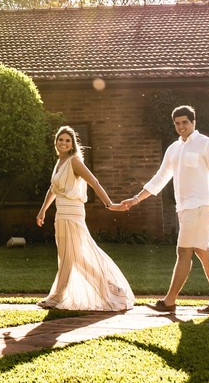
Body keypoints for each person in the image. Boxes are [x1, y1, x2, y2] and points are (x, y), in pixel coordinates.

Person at [120, 105, 209, 314]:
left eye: (185, 122)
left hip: (201, 205)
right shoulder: (173, 148)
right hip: (184, 208)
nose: (181, 127)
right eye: (177, 123)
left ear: (193, 122)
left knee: (184, 251)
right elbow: (161, 177)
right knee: (203, 251)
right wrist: (136, 199)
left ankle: (169, 301)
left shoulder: (207, 144)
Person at [35, 125, 135, 311]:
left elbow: (94, 182)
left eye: (67, 140)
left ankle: (58, 297)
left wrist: (109, 204)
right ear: (55, 142)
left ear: (72, 144)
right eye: (61, 139)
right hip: (61, 214)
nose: (64, 143)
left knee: (72, 256)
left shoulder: (74, 162)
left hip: (73, 214)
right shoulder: (59, 162)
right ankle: (113, 289)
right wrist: (43, 211)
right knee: (71, 257)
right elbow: (53, 189)